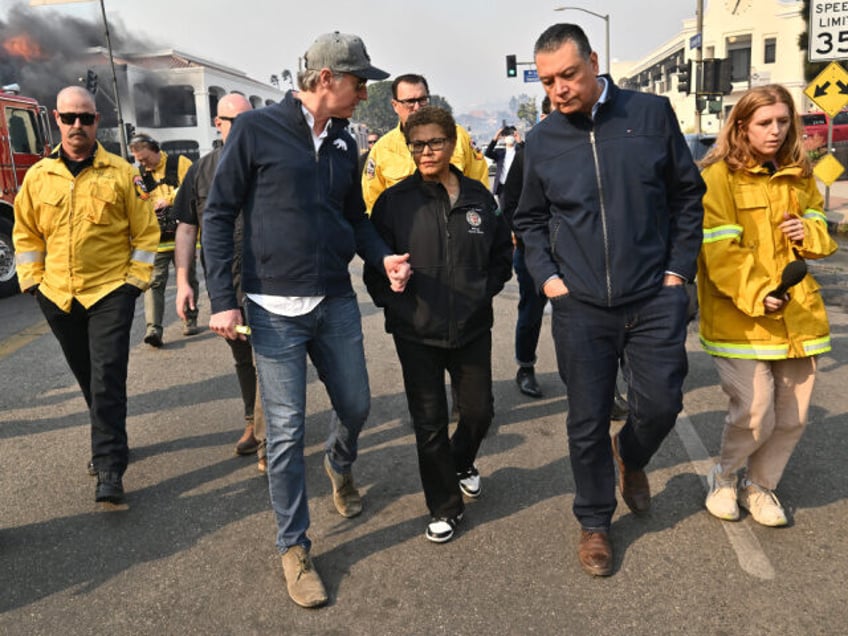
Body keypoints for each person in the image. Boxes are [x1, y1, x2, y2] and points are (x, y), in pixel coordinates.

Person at [202, 31, 410, 608]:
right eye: (358, 81)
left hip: (334, 300)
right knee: (287, 432)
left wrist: (381, 255)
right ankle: (294, 546)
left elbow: (355, 218)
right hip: (271, 311)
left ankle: (339, 463)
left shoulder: (345, 143)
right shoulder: (256, 130)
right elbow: (218, 215)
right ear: (326, 80)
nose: (364, 91)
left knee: (358, 405)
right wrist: (224, 298)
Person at [513, 23, 705, 577]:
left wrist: (677, 272)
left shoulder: (650, 115)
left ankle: (633, 455)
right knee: (586, 419)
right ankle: (595, 521)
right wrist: (548, 278)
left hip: (654, 295)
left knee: (662, 404)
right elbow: (528, 217)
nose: (559, 90)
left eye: (569, 75)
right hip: (581, 306)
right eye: (548, 81)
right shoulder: (543, 138)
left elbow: (687, 196)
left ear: (594, 62)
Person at [364, 106, 512, 543]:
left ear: (453, 144)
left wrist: (483, 290)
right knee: (428, 423)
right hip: (416, 332)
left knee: (480, 411)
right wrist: (394, 300)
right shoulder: (395, 203)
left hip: (471, 327)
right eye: (417, 144)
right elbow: (376, 266)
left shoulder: (478, 196)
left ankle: (461, 460)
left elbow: (502, 254)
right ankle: (445, 506)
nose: (426, 152)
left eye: (435, 142)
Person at [12, 86, 159, 505]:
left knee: (107, 375)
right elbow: (25, 233)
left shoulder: (120, 173)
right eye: (70, 117)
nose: (78, 125)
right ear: (56, 120)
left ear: (98, 121)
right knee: (88, 376)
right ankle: (111, 436)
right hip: (57, 295)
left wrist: (134, 281)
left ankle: (109, 465)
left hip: (111, 290)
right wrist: (33, 281)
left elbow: (146, 232)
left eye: (87, 118)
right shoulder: (38, 177)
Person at [698, 84, 837, 527]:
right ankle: (725, 477)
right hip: (739, 316)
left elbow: (822, 236)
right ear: (741, 126)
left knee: (792, 418)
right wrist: (760, 293)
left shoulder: (799, 174)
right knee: (756, 412)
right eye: (764, 123)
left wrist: (808, 232)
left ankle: (760, 487)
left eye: (782, 121)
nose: (775, 131)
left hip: (799, 317)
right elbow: (719, 252)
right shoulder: (717, 177)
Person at [172, 93, 267, 471]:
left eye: (248, 122)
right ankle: (252, 421)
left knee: (268, 358)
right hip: (225, 282)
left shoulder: (268, 164)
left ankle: (267, 439)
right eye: (233, 122)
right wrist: (183, 281)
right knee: (243, 354)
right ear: (218, 123)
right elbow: (185, 227)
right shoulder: (201, 171)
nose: (242, 130)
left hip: (267, 279)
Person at [361, 73, 489, 212]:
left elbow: (480, 185)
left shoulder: (457, 136)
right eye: (410, 101)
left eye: (422, 100)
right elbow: (372, 203)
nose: (417, 107)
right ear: (395, 105)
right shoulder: (382, 149)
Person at [130, 132, 198, 347]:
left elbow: (191, 189)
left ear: (155, 150)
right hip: (157, 238)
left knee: (187, 278)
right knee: (154, 283)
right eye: (138, 160)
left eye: (144, 158)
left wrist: (167, 201)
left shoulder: (180, 163)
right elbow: (137, 201)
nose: (142, 163)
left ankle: (189, 320)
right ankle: (153, 329)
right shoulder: (139, 174)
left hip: (182, 235)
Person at [500, 99, 549, 399]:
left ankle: (601, 386)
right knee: (531, 309)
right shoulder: (528, 152)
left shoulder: (587, 147)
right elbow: (510, 201)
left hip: (576, 249)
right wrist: (523, 235)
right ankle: (526, 367)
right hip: (533, 248)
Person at [484, 124, 522, 203]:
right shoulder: (500, 153)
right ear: (504, 137)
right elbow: (487, 152)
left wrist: (520, 141)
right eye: (507, 135)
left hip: (517, 187)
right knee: (505, 211)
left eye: (511, 134)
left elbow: (528, 154)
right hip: (503, 188)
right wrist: (496, 137)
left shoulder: (519, 152)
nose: (509, 137)